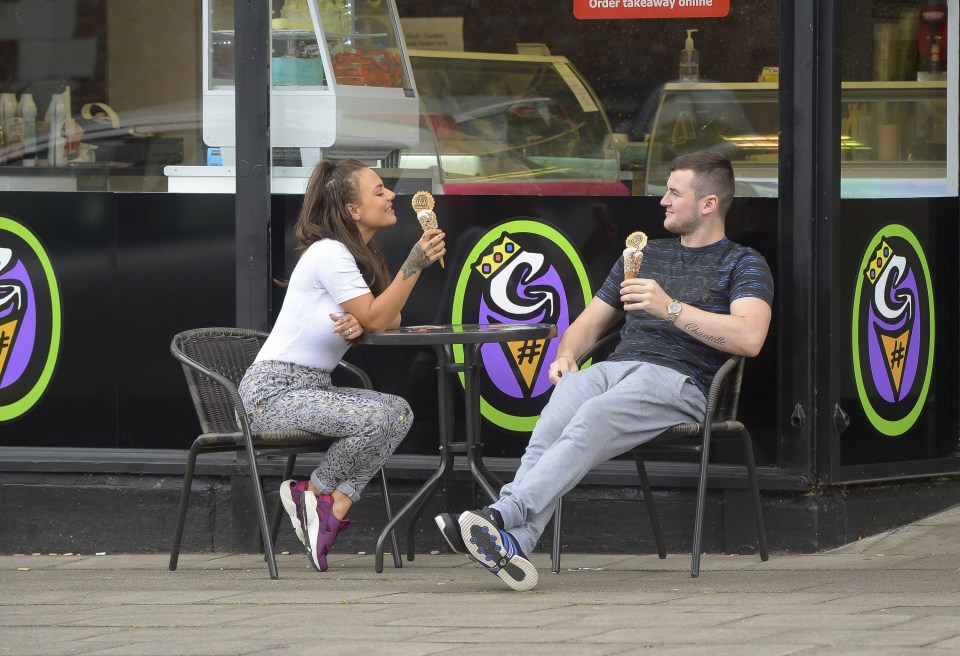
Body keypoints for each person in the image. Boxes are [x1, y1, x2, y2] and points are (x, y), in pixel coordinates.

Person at [434, 150, 773, 591]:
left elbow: (750, 338)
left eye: (674, 193)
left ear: (708, 204)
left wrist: (669, 308)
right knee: (556, 414)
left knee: (594, 416)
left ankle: (502, 513)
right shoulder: (643, 255)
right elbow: (588, 324)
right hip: (616, 370)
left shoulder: (742, 263)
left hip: (681, 384)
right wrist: (567, 356)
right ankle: (514, 542)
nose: (662, 202)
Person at [239, 158, 445, 572]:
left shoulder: (358, 254)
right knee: (379, 416)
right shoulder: (331, 253)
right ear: (353, 210)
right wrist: (414, 265)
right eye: (379, 191)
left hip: (313, 387)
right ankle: (317, 496)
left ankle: (322, 498)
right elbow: (378, 317)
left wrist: (367, 314)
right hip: (273, 392)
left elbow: (389, 318)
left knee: (398, 411)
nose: (391, 197)